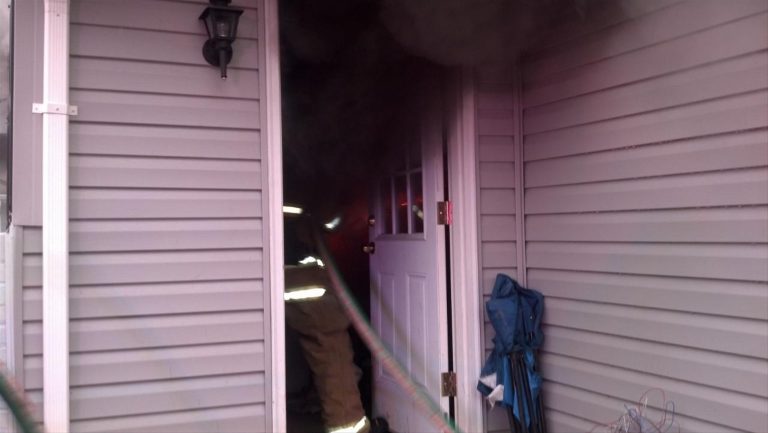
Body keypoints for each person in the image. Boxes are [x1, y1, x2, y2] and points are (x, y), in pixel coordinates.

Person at [284, 210, 370, 433]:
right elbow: (330, 220)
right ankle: (348, 425)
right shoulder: (311, 187)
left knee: (326, 351)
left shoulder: (293, 187)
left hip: (291, 273)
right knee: (333, 353)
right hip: (305, 278)